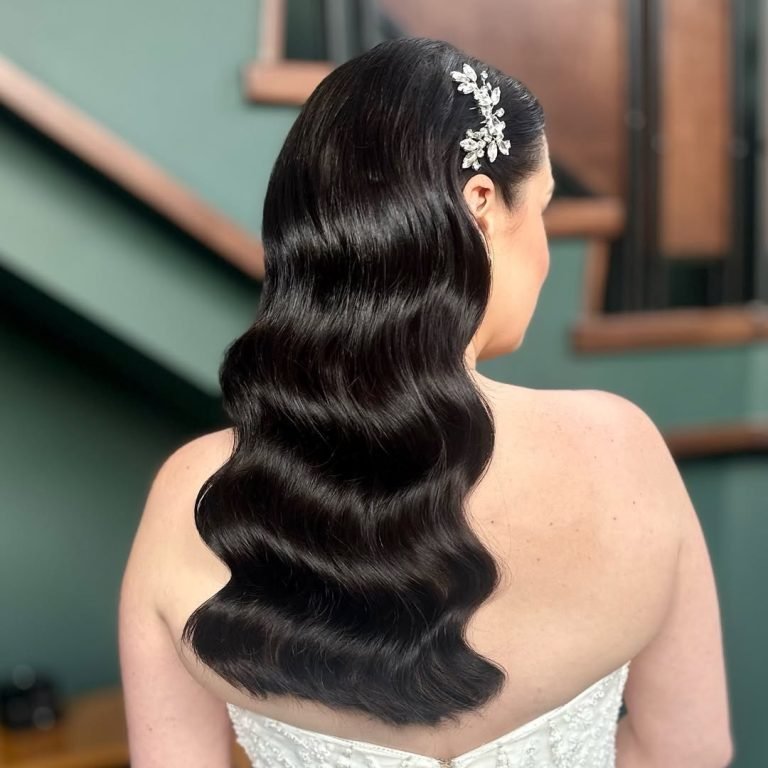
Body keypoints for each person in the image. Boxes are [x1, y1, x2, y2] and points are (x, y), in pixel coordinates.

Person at [118, 37, 733, 767]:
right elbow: (688, 750)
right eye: (542, 208)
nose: (545, 249)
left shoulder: (190, 492)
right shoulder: (620, 448)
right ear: (482, 205)